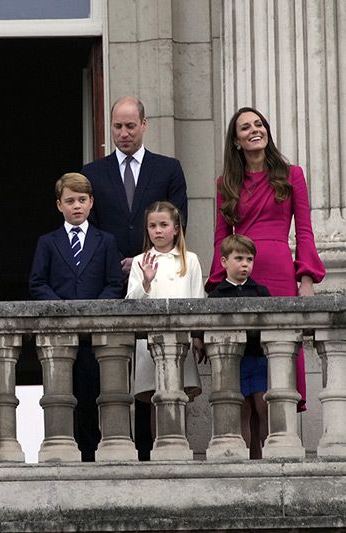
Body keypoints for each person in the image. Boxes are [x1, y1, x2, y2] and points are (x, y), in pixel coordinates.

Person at [81, 95, 189, 460]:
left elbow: (178, 219)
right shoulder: (93, 173)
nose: (124, 133)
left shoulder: (168, 168)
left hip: (156, 279)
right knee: (108, 370)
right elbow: (89, 228)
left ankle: (148, 449)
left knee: (149, 368)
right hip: (109, 283)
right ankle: (105, 448)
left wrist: (145, 258)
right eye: (117, 126)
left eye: (130, 126)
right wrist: (118, 264)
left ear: (144, 125)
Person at [205, 107, 326, 414]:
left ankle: (281, 437)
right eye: (245, 127)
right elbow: (221, 238)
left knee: (281, 351)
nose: (254, 130)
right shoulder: (226, 183)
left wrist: (307, 279)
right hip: (242, 275)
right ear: (236, 140)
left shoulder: (292, 174)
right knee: (245, 360)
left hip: (280, 273)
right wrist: (219, 285)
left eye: (259, 124)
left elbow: (304, 230)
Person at [29, 172, 124, 462]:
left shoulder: (105, 240)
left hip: (95, 336)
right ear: (60, 206)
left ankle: (94, 456)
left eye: (82, 200)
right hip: (60, 337)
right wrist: (62, 309)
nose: (77, 206)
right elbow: (37, 282)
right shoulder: (47, 242)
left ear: (91, 202)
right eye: (70, 201)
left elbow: (114, 283)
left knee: (95, 397)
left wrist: (93, 310)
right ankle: (67, 455)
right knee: (61, 398)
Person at [126, 201, 204, 441]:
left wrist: (199, 336)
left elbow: (198, 300)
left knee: (179, 396)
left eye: (163, 225)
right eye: (152, 226)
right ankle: (159, 450)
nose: (157, 231)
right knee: (154, 399)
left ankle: (180, 446)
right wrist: (146, 282)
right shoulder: (140, 261)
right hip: (149, 342)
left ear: (176, 228)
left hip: (182, 340)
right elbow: (130, 303)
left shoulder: (190, 260)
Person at [208, 234, 270, 458]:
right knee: (242, 410)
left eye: (250, 259)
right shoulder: (216, 296)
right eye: (239, 258)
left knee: (264, 408)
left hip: (258, 358)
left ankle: (268, 456)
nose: (245, 264)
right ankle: (244, 459)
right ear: (224, 262)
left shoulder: (261, 292)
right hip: (234, 363)